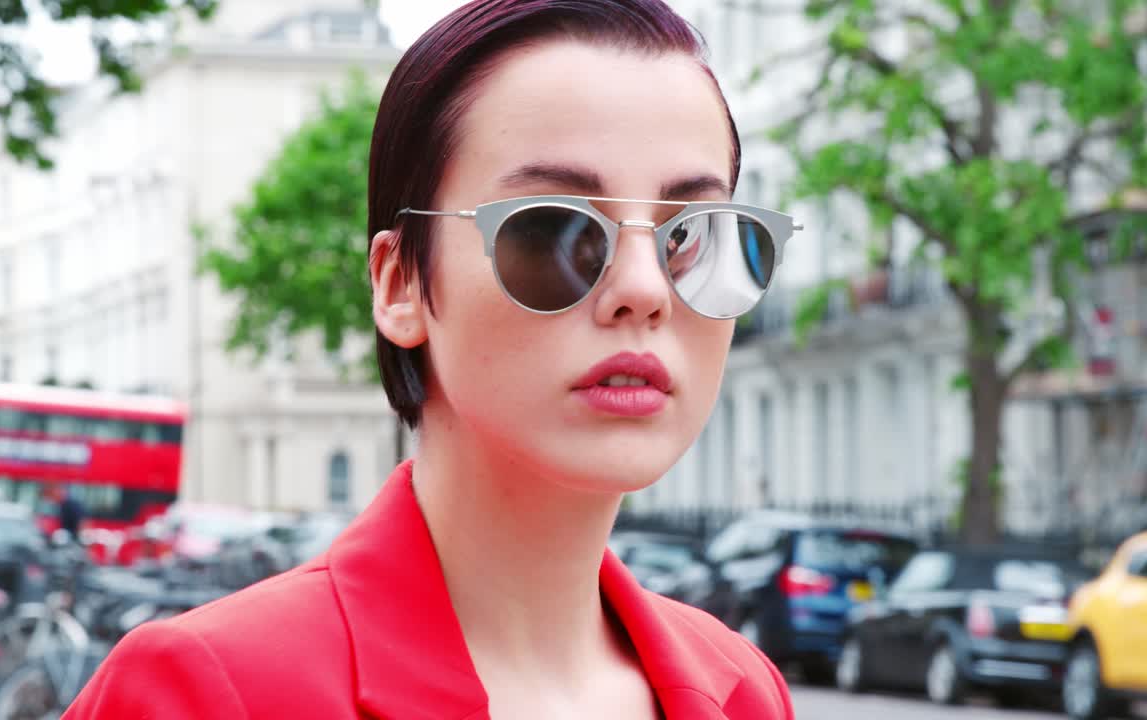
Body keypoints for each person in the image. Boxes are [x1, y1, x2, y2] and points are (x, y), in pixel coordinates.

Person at [64, 1, 799, 717]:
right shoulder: (206, 693)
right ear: (400, 283)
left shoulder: (742, 691)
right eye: (550, 230)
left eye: (695, 234)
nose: (643, 290)